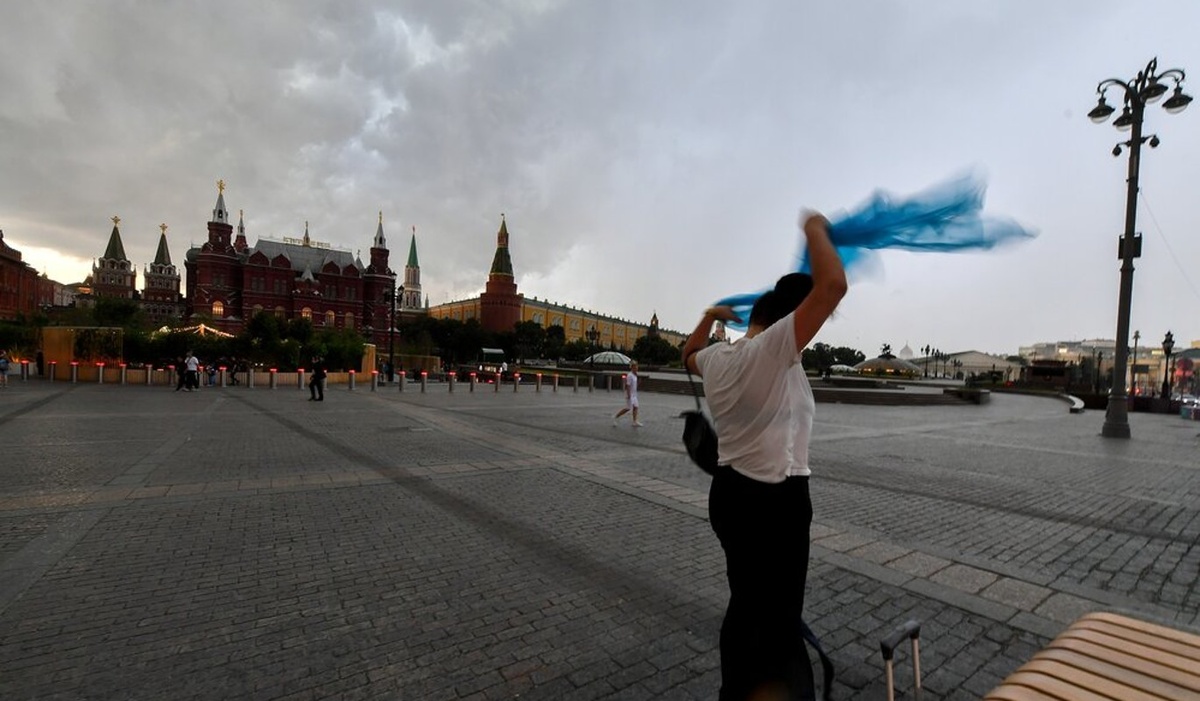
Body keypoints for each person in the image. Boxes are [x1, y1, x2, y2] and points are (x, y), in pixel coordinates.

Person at [681, 212, 847, 701]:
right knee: (776, 622)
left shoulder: (719, 357)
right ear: (782, 322)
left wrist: (711, 314)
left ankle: (736, 688)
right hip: (776, 504)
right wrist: (813, 228)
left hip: (729, 496)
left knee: (747, 606)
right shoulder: (773, 350)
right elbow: (833, 285)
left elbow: (688, 351)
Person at [613, 360, 642, 427]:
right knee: (628, 408)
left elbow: (634, 385)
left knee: (636, 407)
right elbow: (628, 385)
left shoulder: (635, 375)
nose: (637, 368)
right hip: (631, 394)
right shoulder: (630, 375)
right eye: (635, 367)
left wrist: (638, 383)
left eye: (637, 367)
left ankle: (635, 421)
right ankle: (616, 417)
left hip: (634, 394)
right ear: (632, 368)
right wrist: (629, 394)